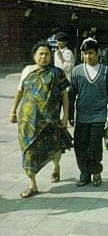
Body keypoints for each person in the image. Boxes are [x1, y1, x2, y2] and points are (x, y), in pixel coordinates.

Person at [9, 41, 70, 197]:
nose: (44, 56)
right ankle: (33, 185)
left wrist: (65, 117)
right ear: (35, 56)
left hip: (50, 120)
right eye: (41, 53)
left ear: (51, 56)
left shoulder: (58, 73)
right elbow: (20, 91)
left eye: (47, 54)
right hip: (28, 121)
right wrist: (13, 111)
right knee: (28, 152)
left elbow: (64, 96)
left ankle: (56, 167)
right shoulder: (28, 71)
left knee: (54, 148)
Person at [69, 39, 108, 187]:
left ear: (98, 53)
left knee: (95, 146)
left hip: (99, 116)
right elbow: (71, 95)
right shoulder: (76, 71)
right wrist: (70, 115)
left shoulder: (106, 72)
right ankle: (84, 173)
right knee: (80, 145)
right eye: (85, 54)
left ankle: (96, 172)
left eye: (91, 53)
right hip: (82, 116)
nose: (88, 56)